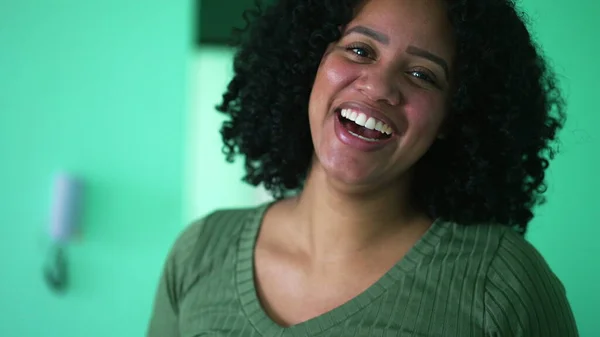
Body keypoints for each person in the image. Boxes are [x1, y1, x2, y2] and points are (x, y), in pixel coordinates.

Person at [147, 0, 579, 335]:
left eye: (422, 75)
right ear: (310, 64)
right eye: (359, 49)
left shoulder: (502, 285)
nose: (378, 86)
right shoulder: (200, 251)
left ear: (455, 116)